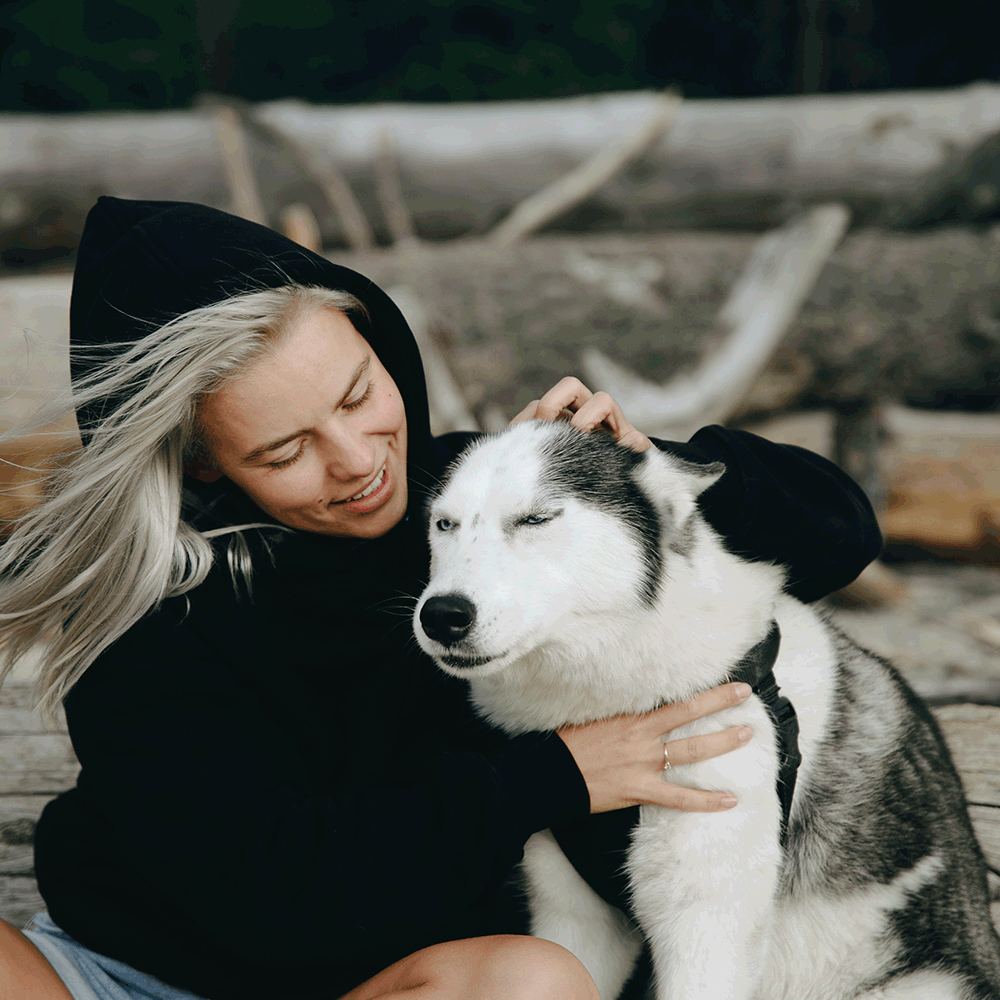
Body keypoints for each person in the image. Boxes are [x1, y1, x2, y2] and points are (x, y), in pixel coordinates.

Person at [0, 198, 881, 1000]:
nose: (357, 460)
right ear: (200, 461)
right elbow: (270, 892)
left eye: (358, 395)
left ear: (375, 340)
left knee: (536, 985)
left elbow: (837, 533)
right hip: (120, 972)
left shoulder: (468, 493)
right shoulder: (145, 610)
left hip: (399, 983)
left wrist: (641, 474)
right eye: (284, 451)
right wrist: (548, 780)